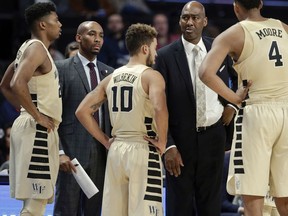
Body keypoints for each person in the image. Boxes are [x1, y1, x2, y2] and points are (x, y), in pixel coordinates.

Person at [199, 0, 288, 215]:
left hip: (257, 113)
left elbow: (205, 72)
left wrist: (234, 98)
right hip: (285, 111)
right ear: (261, 3)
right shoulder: (283, 28)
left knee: (252, 195)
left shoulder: (234, 34)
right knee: (284, 195)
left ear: (235, 6)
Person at [153, 1, 238, 215]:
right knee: (179, 206)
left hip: (214, 137)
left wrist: (232, 104)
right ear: (180, 20)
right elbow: (156, 105)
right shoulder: (164, 56)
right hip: (180, 143)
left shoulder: (220, 50)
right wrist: (168, 146)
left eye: (195, 17)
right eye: (185, 17)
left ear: (205, 21)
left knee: (210, 205)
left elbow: (241, 80)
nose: (189, 22)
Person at [75, 23, 168, 216]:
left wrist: (105, 141)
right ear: (145, 48)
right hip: (142, 148)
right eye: (154, 48)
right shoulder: (152, 76)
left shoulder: (111, 76)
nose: (156, 53)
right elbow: (160, 108)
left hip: (117, 150)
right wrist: (163, 142)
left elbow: (82, 111)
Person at [0, 2, 62, 215]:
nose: (60, 24)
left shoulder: (27, 47)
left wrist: (26, 111)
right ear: (43, 24)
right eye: (56, 20)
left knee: (36, 202)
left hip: (31, 127)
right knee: (36, 204)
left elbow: (4, 85)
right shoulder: (36, 48)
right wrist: (36, 115)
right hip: (37, 131)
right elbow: (16, 83)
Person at [53, 21, 114, 216]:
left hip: (101, 153)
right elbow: (53, 114)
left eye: (101, 35)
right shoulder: (61, 68)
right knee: (66, 210)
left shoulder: (109, 72)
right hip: (71, 153)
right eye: (91, 34)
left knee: (94, 211)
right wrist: (60, 151)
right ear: (79, 38)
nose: (97, 39)